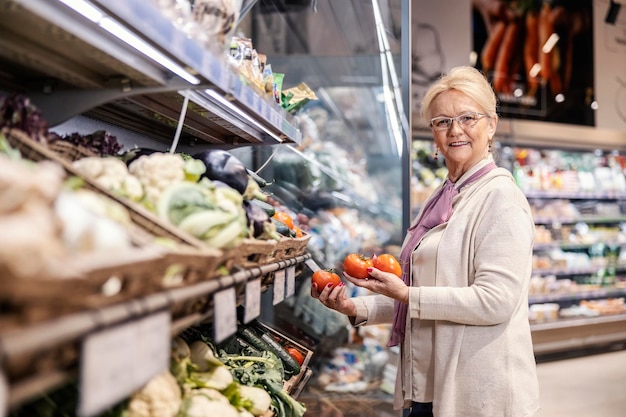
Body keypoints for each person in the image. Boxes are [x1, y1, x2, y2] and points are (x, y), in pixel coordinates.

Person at [311, 65, 540, 417]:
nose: (455, 130)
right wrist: (357, 308)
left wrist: (406, 293)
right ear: (432, 133)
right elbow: (429, 295)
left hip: (477, 395)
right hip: (430, 388)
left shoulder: (500, 199)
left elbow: (495, 301)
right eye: (442, 121)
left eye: (467, 117)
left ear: (491, 124)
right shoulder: (446, 195)